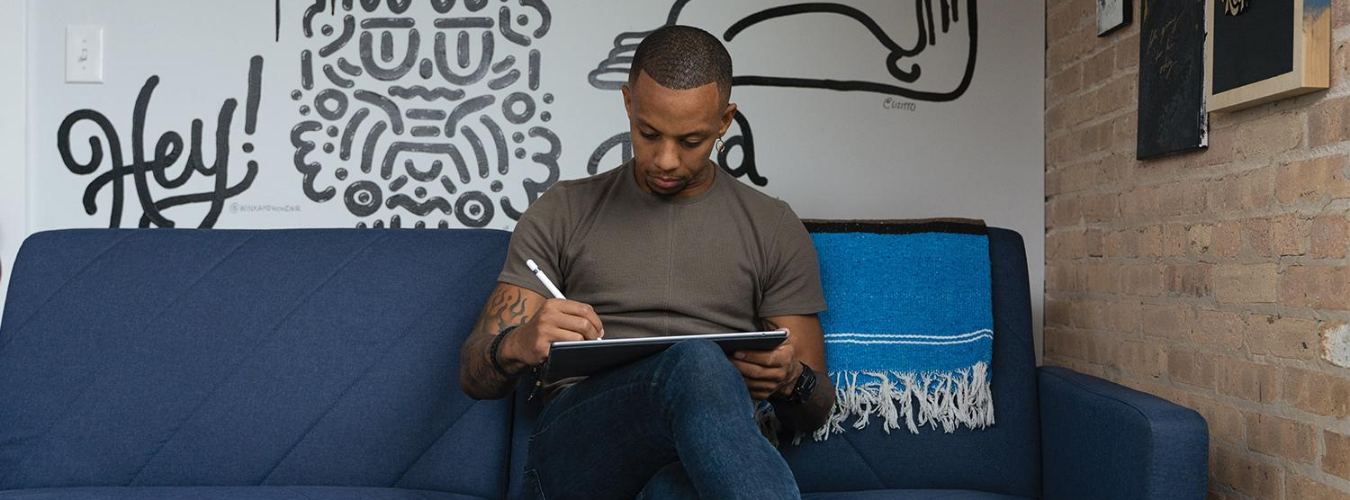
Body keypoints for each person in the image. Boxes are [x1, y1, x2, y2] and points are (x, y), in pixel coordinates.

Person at [459, 25, 832, 500]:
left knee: (678, 488)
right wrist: (520, 342)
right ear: (629, 104)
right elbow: (473, 374)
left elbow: (816, 408)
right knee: (694, 360)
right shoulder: (563, 212)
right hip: (579, 457)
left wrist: (791, 378)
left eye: (691, 140)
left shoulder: (773, 227)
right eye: (648, 133)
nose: (666, 160)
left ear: (724, 122)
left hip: (706, 461)